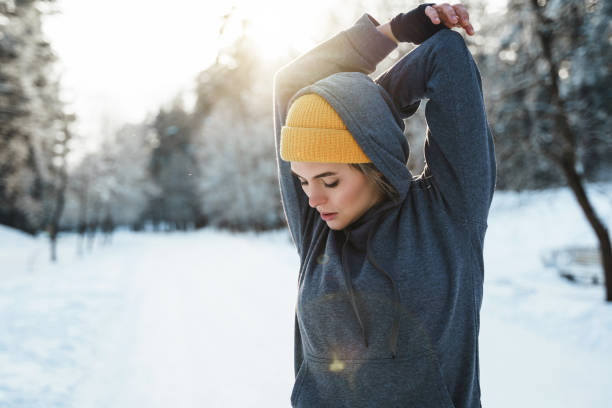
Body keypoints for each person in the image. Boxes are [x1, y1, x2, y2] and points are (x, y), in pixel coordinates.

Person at [272, 3, 496, 407]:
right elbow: (290, 85)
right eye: (302, 180)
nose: (312, 198)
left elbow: (446, 55)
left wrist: (371, 108)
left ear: (374, 161)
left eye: (330, 180)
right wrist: (389, 32)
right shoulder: (319, 234)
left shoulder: (449, 215)